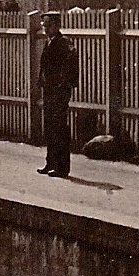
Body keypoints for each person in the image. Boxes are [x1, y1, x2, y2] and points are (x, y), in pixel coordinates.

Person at [37, 10, 80, 178]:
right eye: (44, 26)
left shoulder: (63, 43)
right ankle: (51, 162)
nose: (45, 29)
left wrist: (63, 86)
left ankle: (62, 167)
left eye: (48, 26)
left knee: (59, 128)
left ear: (56, 25)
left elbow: (70, 68)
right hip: (50, 90)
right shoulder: (51, 42)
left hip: (59, 91)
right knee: (50, 127)